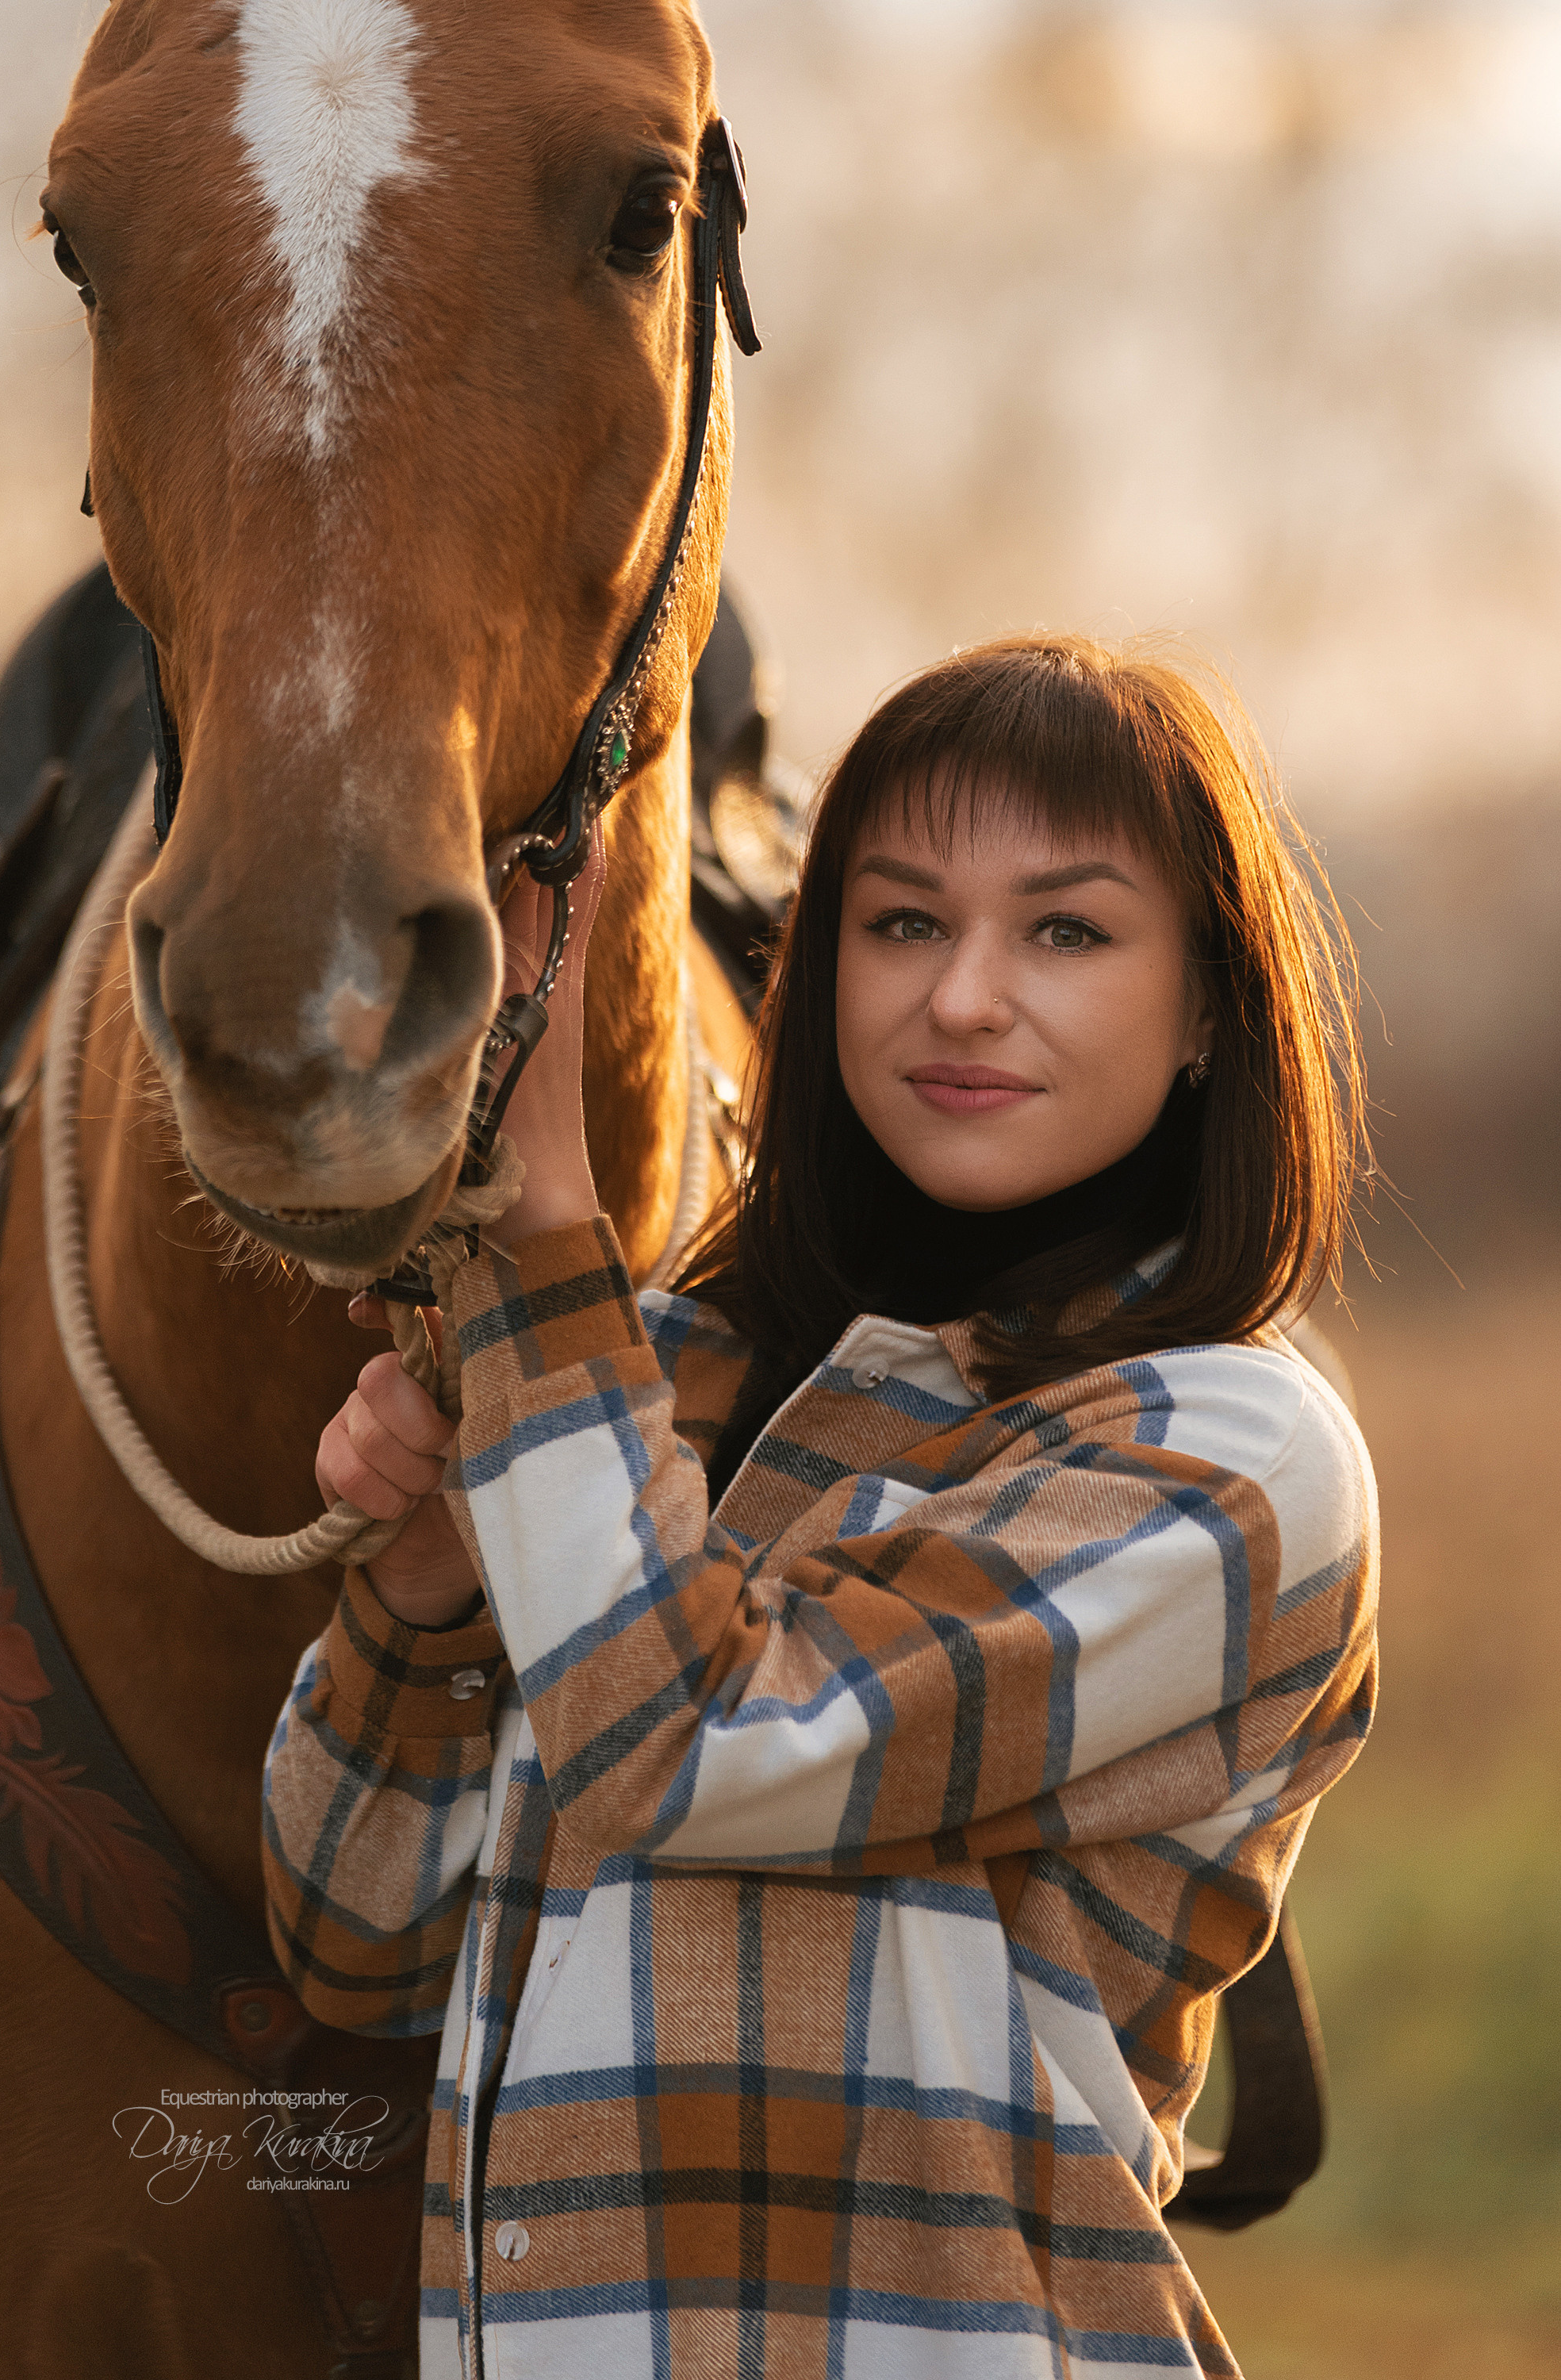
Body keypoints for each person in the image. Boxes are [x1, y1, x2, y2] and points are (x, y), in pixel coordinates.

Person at [263, 634, 1379, 2380]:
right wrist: (422, 1599)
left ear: (1212, 1008)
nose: (962, 999)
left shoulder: (1230, 1455)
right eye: (904, 922)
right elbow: (358, 1935)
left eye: (1067, 931)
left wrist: (545, 1229)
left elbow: (694, 1748)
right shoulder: (664, 1383)